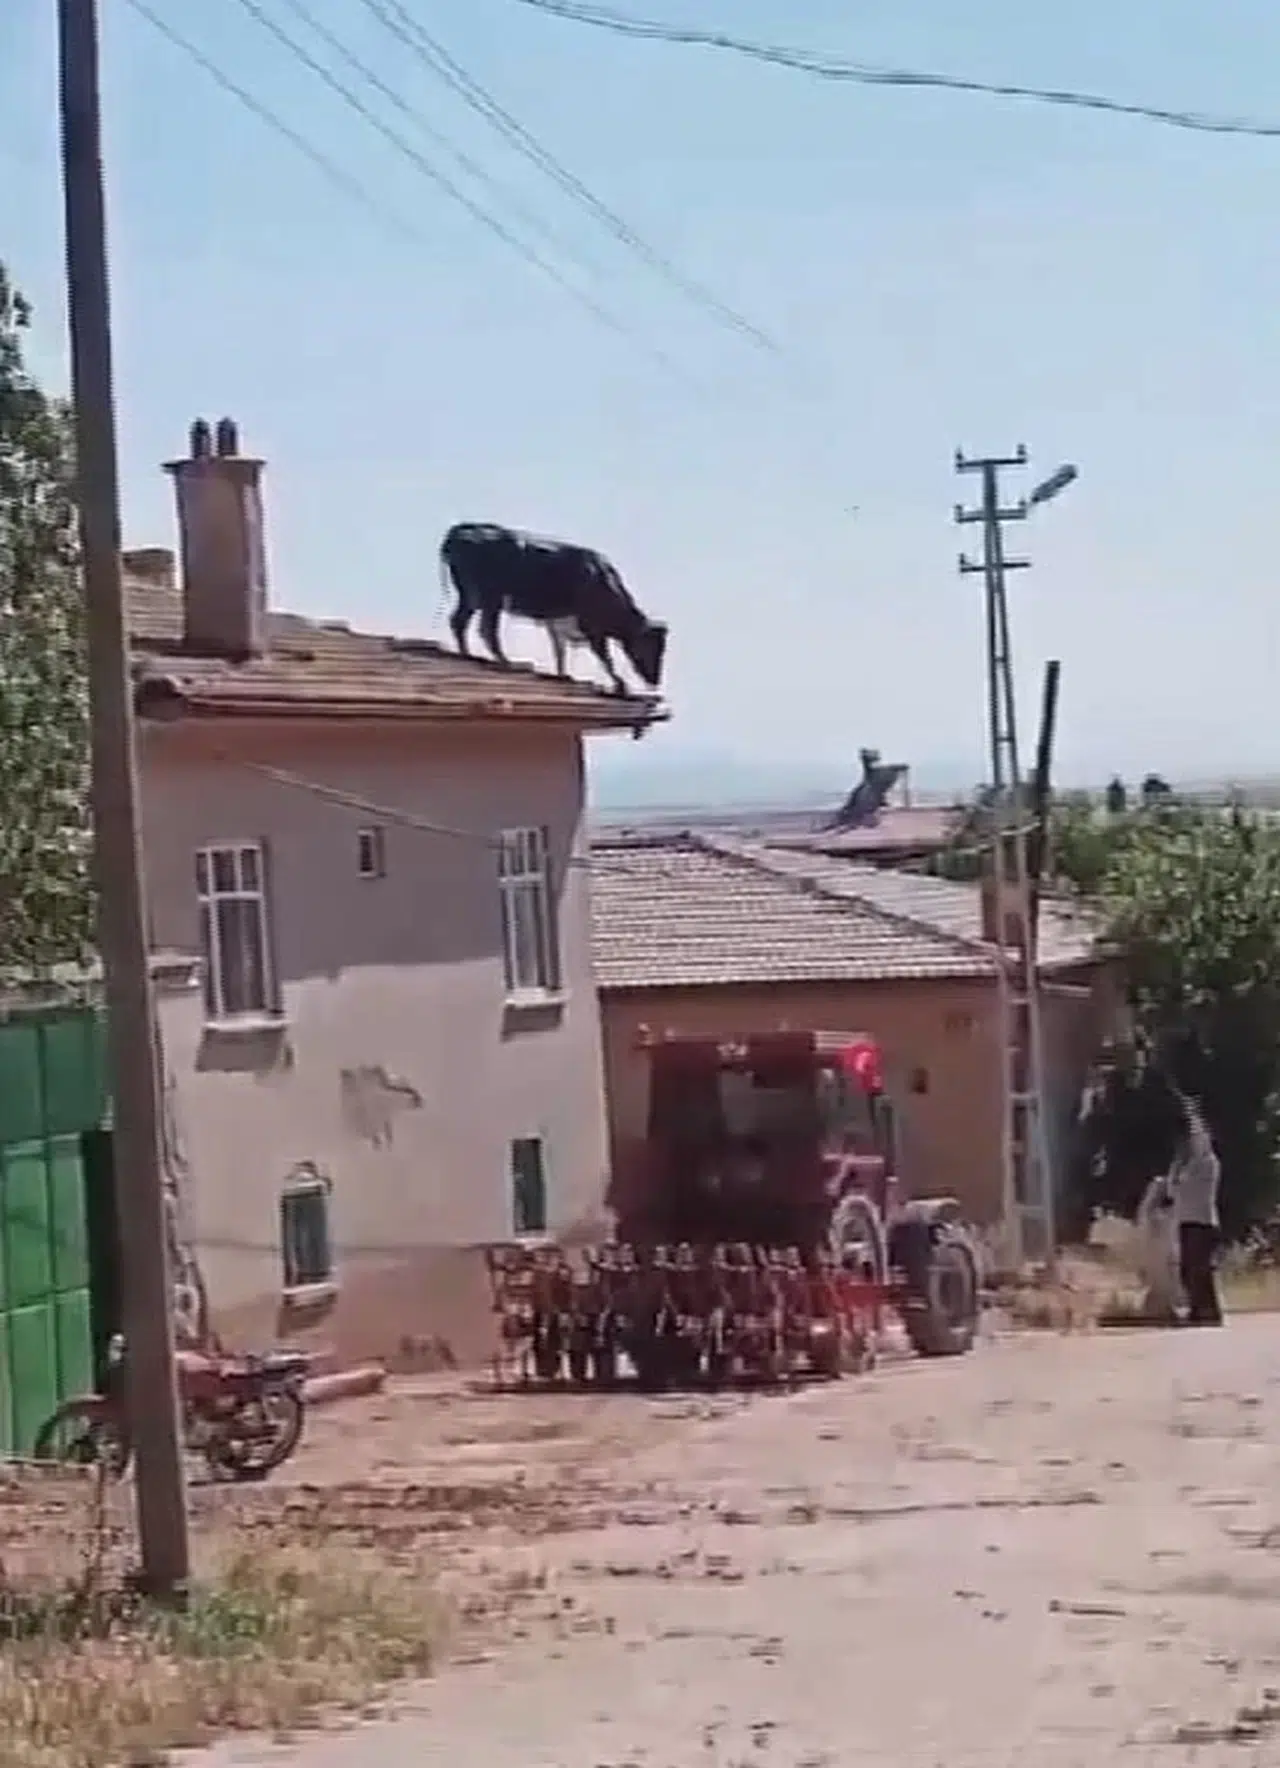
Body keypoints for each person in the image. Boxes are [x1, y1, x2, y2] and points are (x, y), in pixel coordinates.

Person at [1167, 1093, 1224, 1326]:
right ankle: (1201, 1311)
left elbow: (1199, 1136)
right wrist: (1176, 1165)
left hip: (1202, 1222)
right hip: (1188, 1221)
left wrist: (1192, 1113)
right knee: (1190, 1271)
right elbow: (1173, 1190)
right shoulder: (1188, 1165)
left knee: (1198, 1271)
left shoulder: (1208, 1162)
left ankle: (1207, 1312)